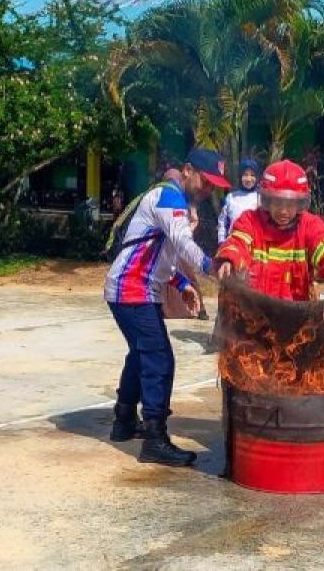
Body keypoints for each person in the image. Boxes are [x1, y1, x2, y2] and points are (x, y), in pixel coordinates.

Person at [103, 147, 230, 467]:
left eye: (214, 185)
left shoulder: (175, 200)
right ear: (188, 170)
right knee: (159, 357)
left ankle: (124, 421)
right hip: (132, 289)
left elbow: (165, 255)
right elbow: (183, 244)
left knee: (141, 352)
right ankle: (155, 439)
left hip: (135, 288)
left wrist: (183, 285)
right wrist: (211, 266)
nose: (208, 189)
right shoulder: (169, 197)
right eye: (205, 180)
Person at [215, 159, 324, 300]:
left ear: (301, 203)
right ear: (267, 200)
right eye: (278, 202)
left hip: (296, 319)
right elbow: (237, 242)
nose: (284, 211)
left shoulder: (310, 226)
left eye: (290, 204)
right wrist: (229, 260)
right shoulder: (250, 221)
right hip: (255, 314)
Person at [217, 159, 261, 245]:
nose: (249, 179)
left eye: (252, 175)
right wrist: (221, 241)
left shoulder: (260, 198)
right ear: (240, 176)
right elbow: (222, 222)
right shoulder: (231, 197)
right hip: (233, 245)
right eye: (245, 175)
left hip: (254, 246)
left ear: (257, 177)